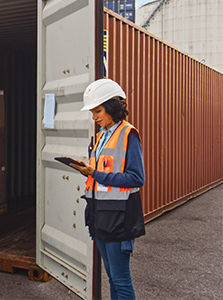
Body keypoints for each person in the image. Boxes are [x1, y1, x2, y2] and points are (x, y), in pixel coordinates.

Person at [70, 79, 146, 300]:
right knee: (112, 279)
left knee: (121, 281)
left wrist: (94, 173)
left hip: (118, 217)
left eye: (98, 111)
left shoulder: (128, 134)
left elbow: (136, 178)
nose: (94, 117)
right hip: (99, 214)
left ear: (112, 107)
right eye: (93, 112)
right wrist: (87, 170)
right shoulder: (103, 135)